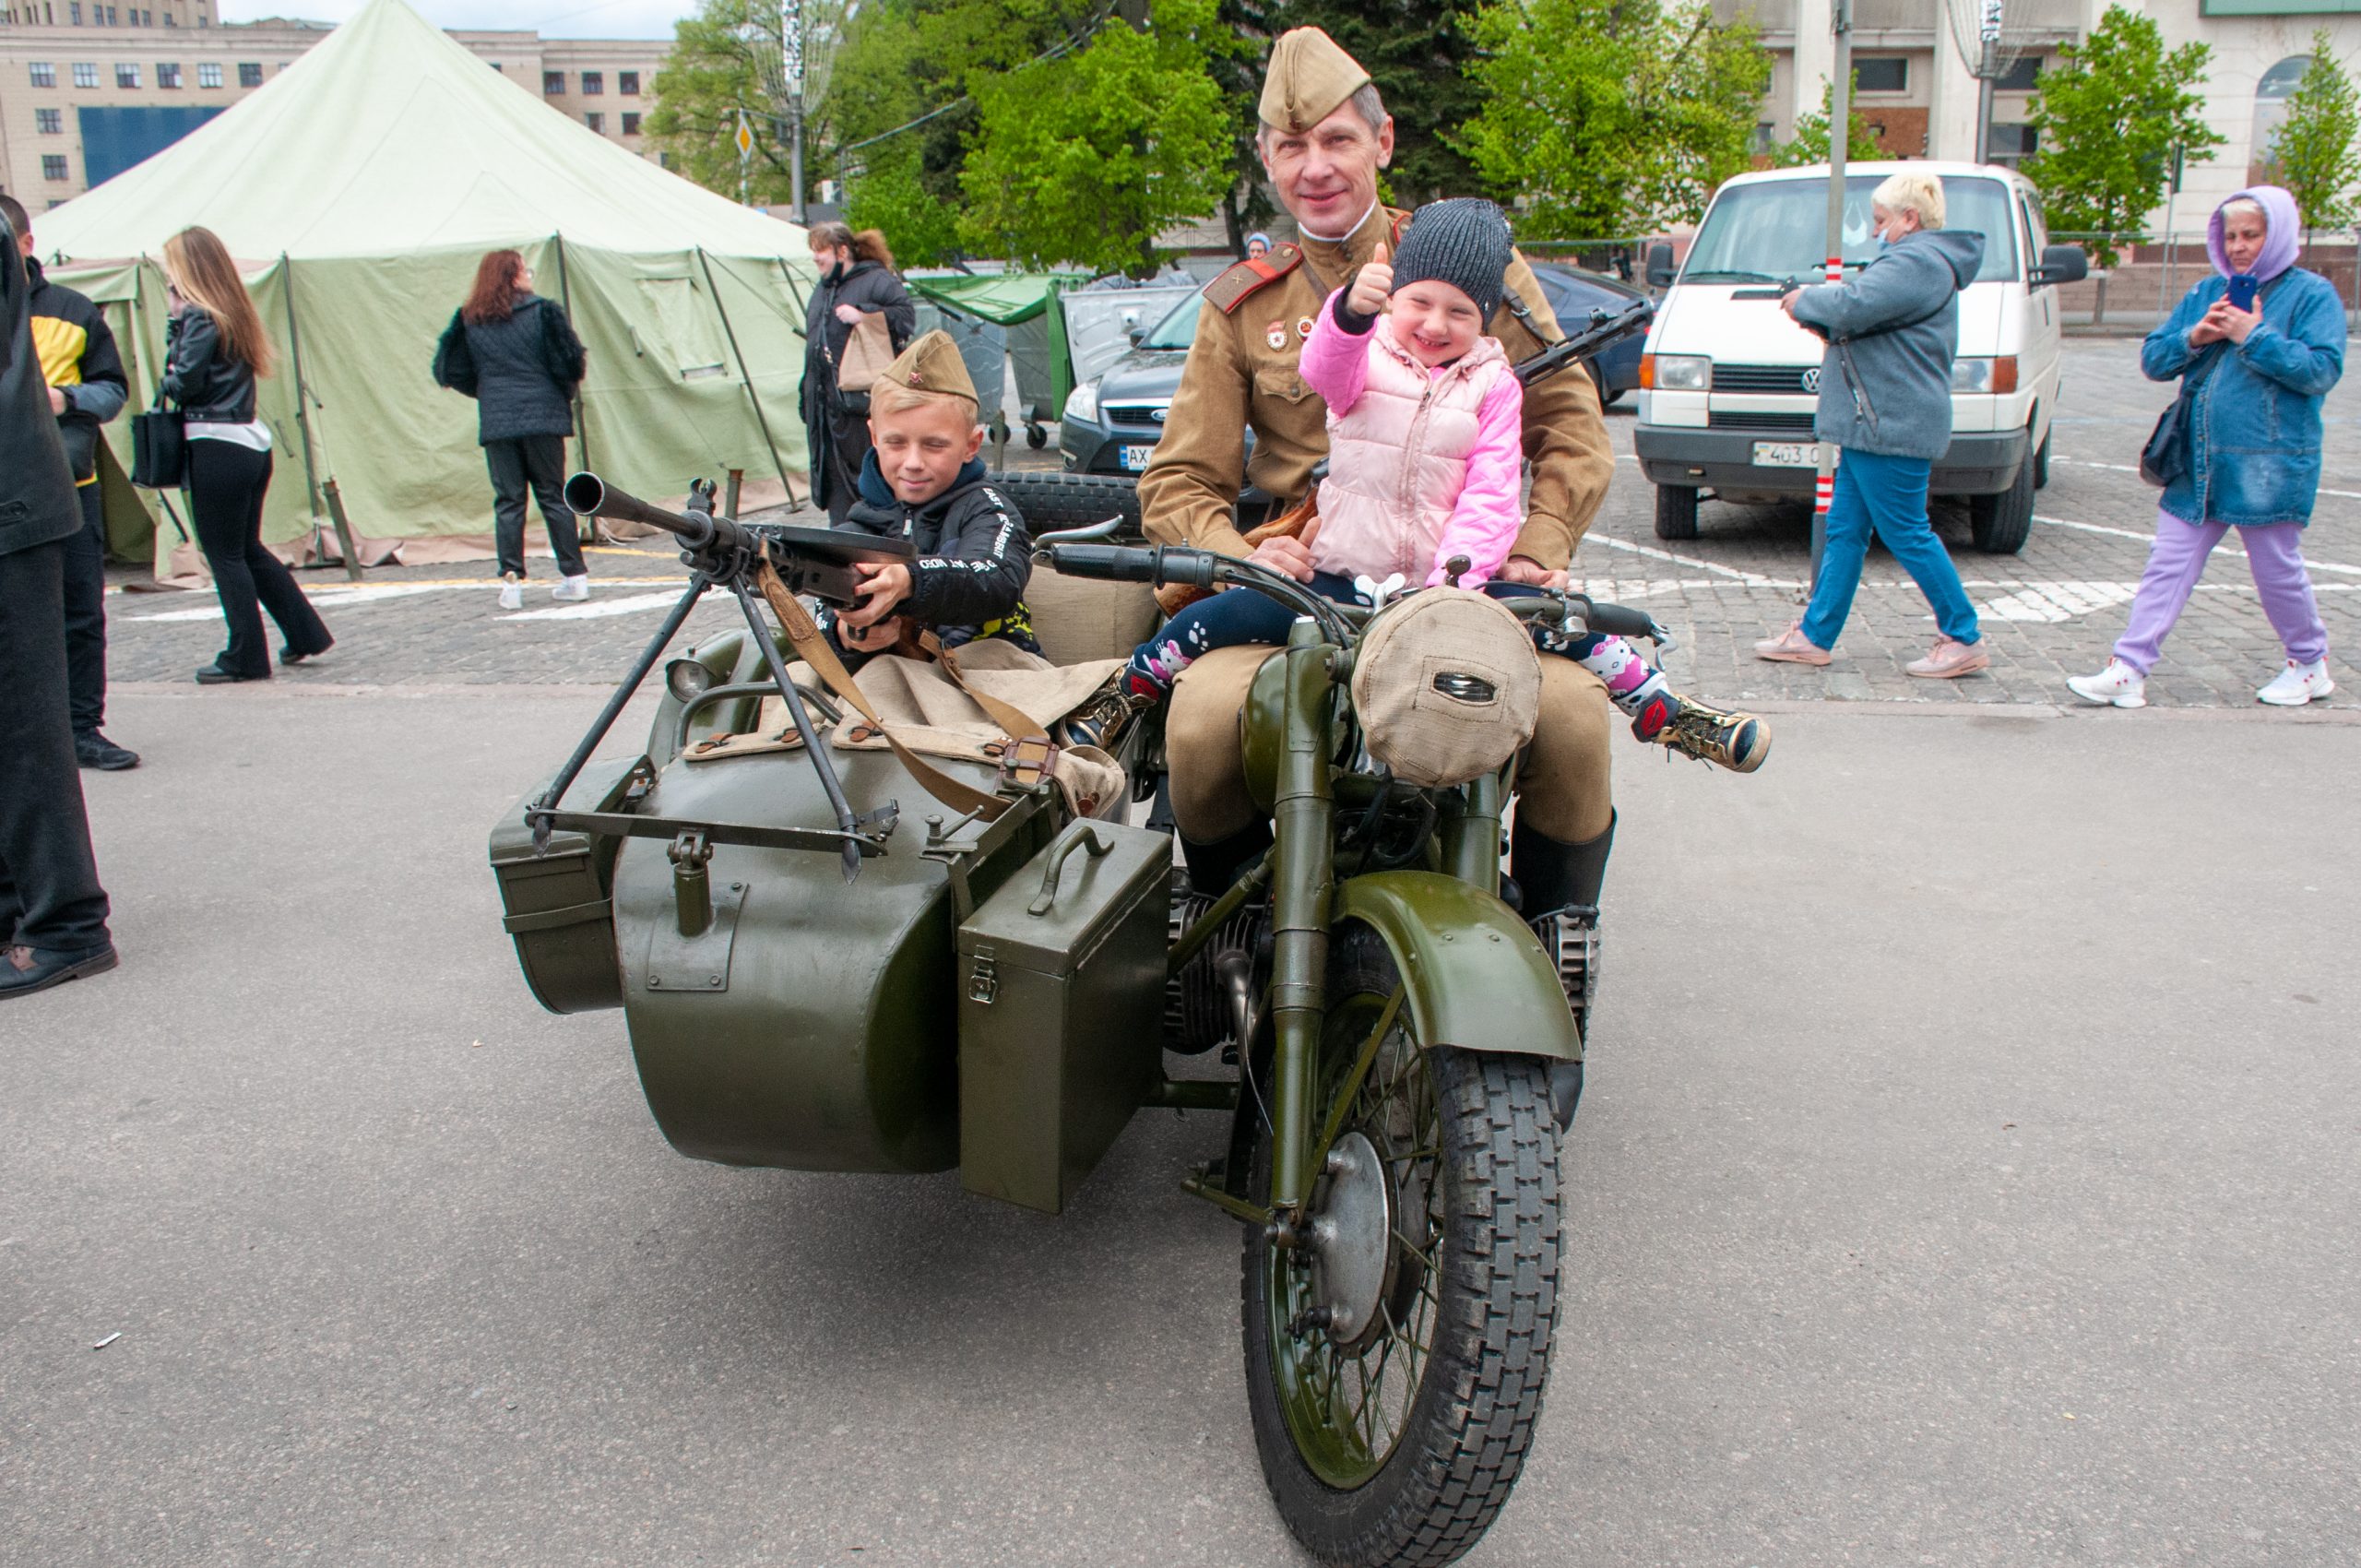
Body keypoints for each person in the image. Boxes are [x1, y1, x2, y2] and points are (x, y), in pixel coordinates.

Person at [1136, 26, 1623, 953]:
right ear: (1268, 159)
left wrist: (1538, 546)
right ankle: (1235, 941)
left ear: (1381, 143)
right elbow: (1180, 477)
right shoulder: (1245, 300)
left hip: (1463, 586)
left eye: (1335, 140)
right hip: (1306, 592)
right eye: (1290, 146)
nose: (1313, 168)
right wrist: (1246, 552)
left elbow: (1572, 429)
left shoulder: (1469, 262)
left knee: (1571, 722)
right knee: (1198, 727)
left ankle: (1563, 945)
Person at [1095, 198, 1766, 775]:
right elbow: (1324, 369)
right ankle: (1126, 697)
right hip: (1341, 573)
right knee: (1215, 618)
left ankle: (1662, 710)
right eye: (1419, 302)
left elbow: (1494, 488)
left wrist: (1460, 583)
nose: (1436, 325)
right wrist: (1351, 317)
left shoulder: (1495, 384)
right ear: (1394, 298)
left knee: (1571, 626)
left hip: (1448, 586)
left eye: (1460, 312)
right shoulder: (1365, 354)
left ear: (1485, 318)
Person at [2066, 185, 2344, 710]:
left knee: (2276, 569)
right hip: (2197, 458)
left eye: (2252, 235)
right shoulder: (2205, 291)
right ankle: (2128, 667)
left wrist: (2252, 334)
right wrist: (2196, 337)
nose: (2239, 247)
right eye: (2230, 235)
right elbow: (2154, 359)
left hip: (2269, 462)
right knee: (2167, 564)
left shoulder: (2312, 295)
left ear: (2278, 233)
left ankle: (2309, 663)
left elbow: (2321, 370)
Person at [1755, 172, 1990, 680]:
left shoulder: (1919, 260)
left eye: (1882, 221)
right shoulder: (1922, 262)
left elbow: (1855, 305)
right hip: (1876, 422)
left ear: (1910, 218)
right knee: (1844, 530)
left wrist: (1806, 301)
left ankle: (1963, 635)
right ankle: (1816, 636)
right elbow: (1861, 320)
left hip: (1889, 423)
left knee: (1906, 530)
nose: (1876, 232)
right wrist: (1815, 311)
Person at [0, 199, 115, 998]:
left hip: (10, 505)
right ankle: (29, 916)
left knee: (24, 730)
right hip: (18, 498)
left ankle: (66, 924)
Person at [160, 225, 333, 684]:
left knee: (225, 556)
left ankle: (245, 655)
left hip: (214, 443)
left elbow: (183, 384)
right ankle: (305, 634)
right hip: (249, 441)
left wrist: (173, 333)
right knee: (247, 549)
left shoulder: (197, 316)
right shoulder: (233, 311)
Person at [2, 194, 136, 770]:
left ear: (26, 244)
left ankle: (83, 728)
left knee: (81, 613)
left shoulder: (74, 310)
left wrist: (68, 398)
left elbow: (113, 391)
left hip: (68, 488)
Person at [824, 330, 1036, 668]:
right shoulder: (857, 525)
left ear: (971, 445)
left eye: (934, 445)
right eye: (896, 443)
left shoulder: (987, 509)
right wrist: (845, 635)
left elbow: (998, 577)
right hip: (890, 691)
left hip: (994, 678)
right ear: (874, 437)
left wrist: (910, 580)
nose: (913, 462)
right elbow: (821, 613)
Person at [432, 248, 591, 611]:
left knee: (509, 501)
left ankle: (512, 583)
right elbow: (569, 363)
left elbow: (449, 369)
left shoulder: (469, 319)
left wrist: (486, 390)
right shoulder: (543, 311)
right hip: (544, 415)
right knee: (553, 494)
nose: (529, 276)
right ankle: (575, 577)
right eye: (525, 270)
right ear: (515, 274)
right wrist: (556, 395)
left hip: (498, 419)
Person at [801, 223, 916, 527]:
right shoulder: (824, 287)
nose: (815, 258)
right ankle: (844, 547)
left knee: (872, 478)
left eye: (820, 250)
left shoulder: (876, 279)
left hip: (859, 406)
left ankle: (880, 543)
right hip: (825, 411)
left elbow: (905, 318)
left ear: (842, 251)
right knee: (834, 485)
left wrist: (864, 315)